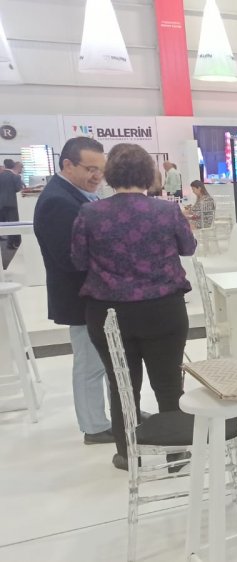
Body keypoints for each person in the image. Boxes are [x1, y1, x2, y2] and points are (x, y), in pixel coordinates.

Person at [70, 143, 197, 470]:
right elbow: (188, 247)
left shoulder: (89, 213)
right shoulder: (166, 211)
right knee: (169, 382)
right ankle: (176, 452)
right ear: (147, 174)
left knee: (121, 384)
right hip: (164, 310)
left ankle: (127, 453)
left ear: (110, 174)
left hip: (109, 313)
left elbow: (78, 260)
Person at [34, 137, 114, 445]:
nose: (97, 176)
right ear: (67, 164)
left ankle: (119, 416)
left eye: (101, 170)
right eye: (90, 169)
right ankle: (94, 427)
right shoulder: (58, 201)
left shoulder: (77, 195)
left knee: (106, 362)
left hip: (94, 296)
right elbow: (69, 259)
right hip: (81, 297)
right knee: (90, 364)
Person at [0, 159, 24, 249]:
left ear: (5, 165)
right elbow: (19, 190)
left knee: (3, 224)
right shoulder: (16, 176)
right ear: (13, 165)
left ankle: (10, 243)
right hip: (12, 203)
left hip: (1, 203)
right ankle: (11, 244)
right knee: (13, 224)